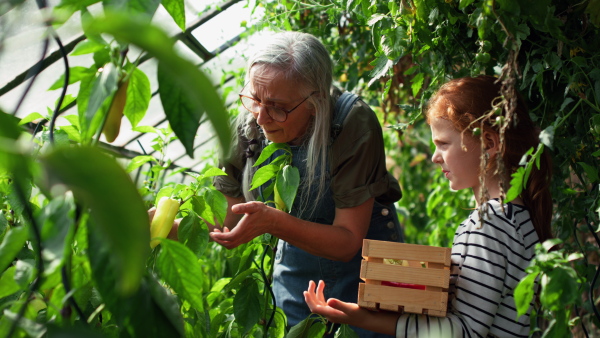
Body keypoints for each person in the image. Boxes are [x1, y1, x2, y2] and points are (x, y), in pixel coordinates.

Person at [303, 75, 553, 337]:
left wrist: (362, 318)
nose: (435, 157)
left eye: (443, 144)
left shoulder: (488, 224)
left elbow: (463, 332)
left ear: (489, 144)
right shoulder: (519, 216)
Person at [209, 31, 403, 337]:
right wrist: (156, 226)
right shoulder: (251, 125)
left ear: (315, 101)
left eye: (277, 107)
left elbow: (348, 241)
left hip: (369, 274)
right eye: (254, 99)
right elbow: (229, 209)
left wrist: (273, 222)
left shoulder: (351, 123)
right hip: (299, 276)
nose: (260, 117)